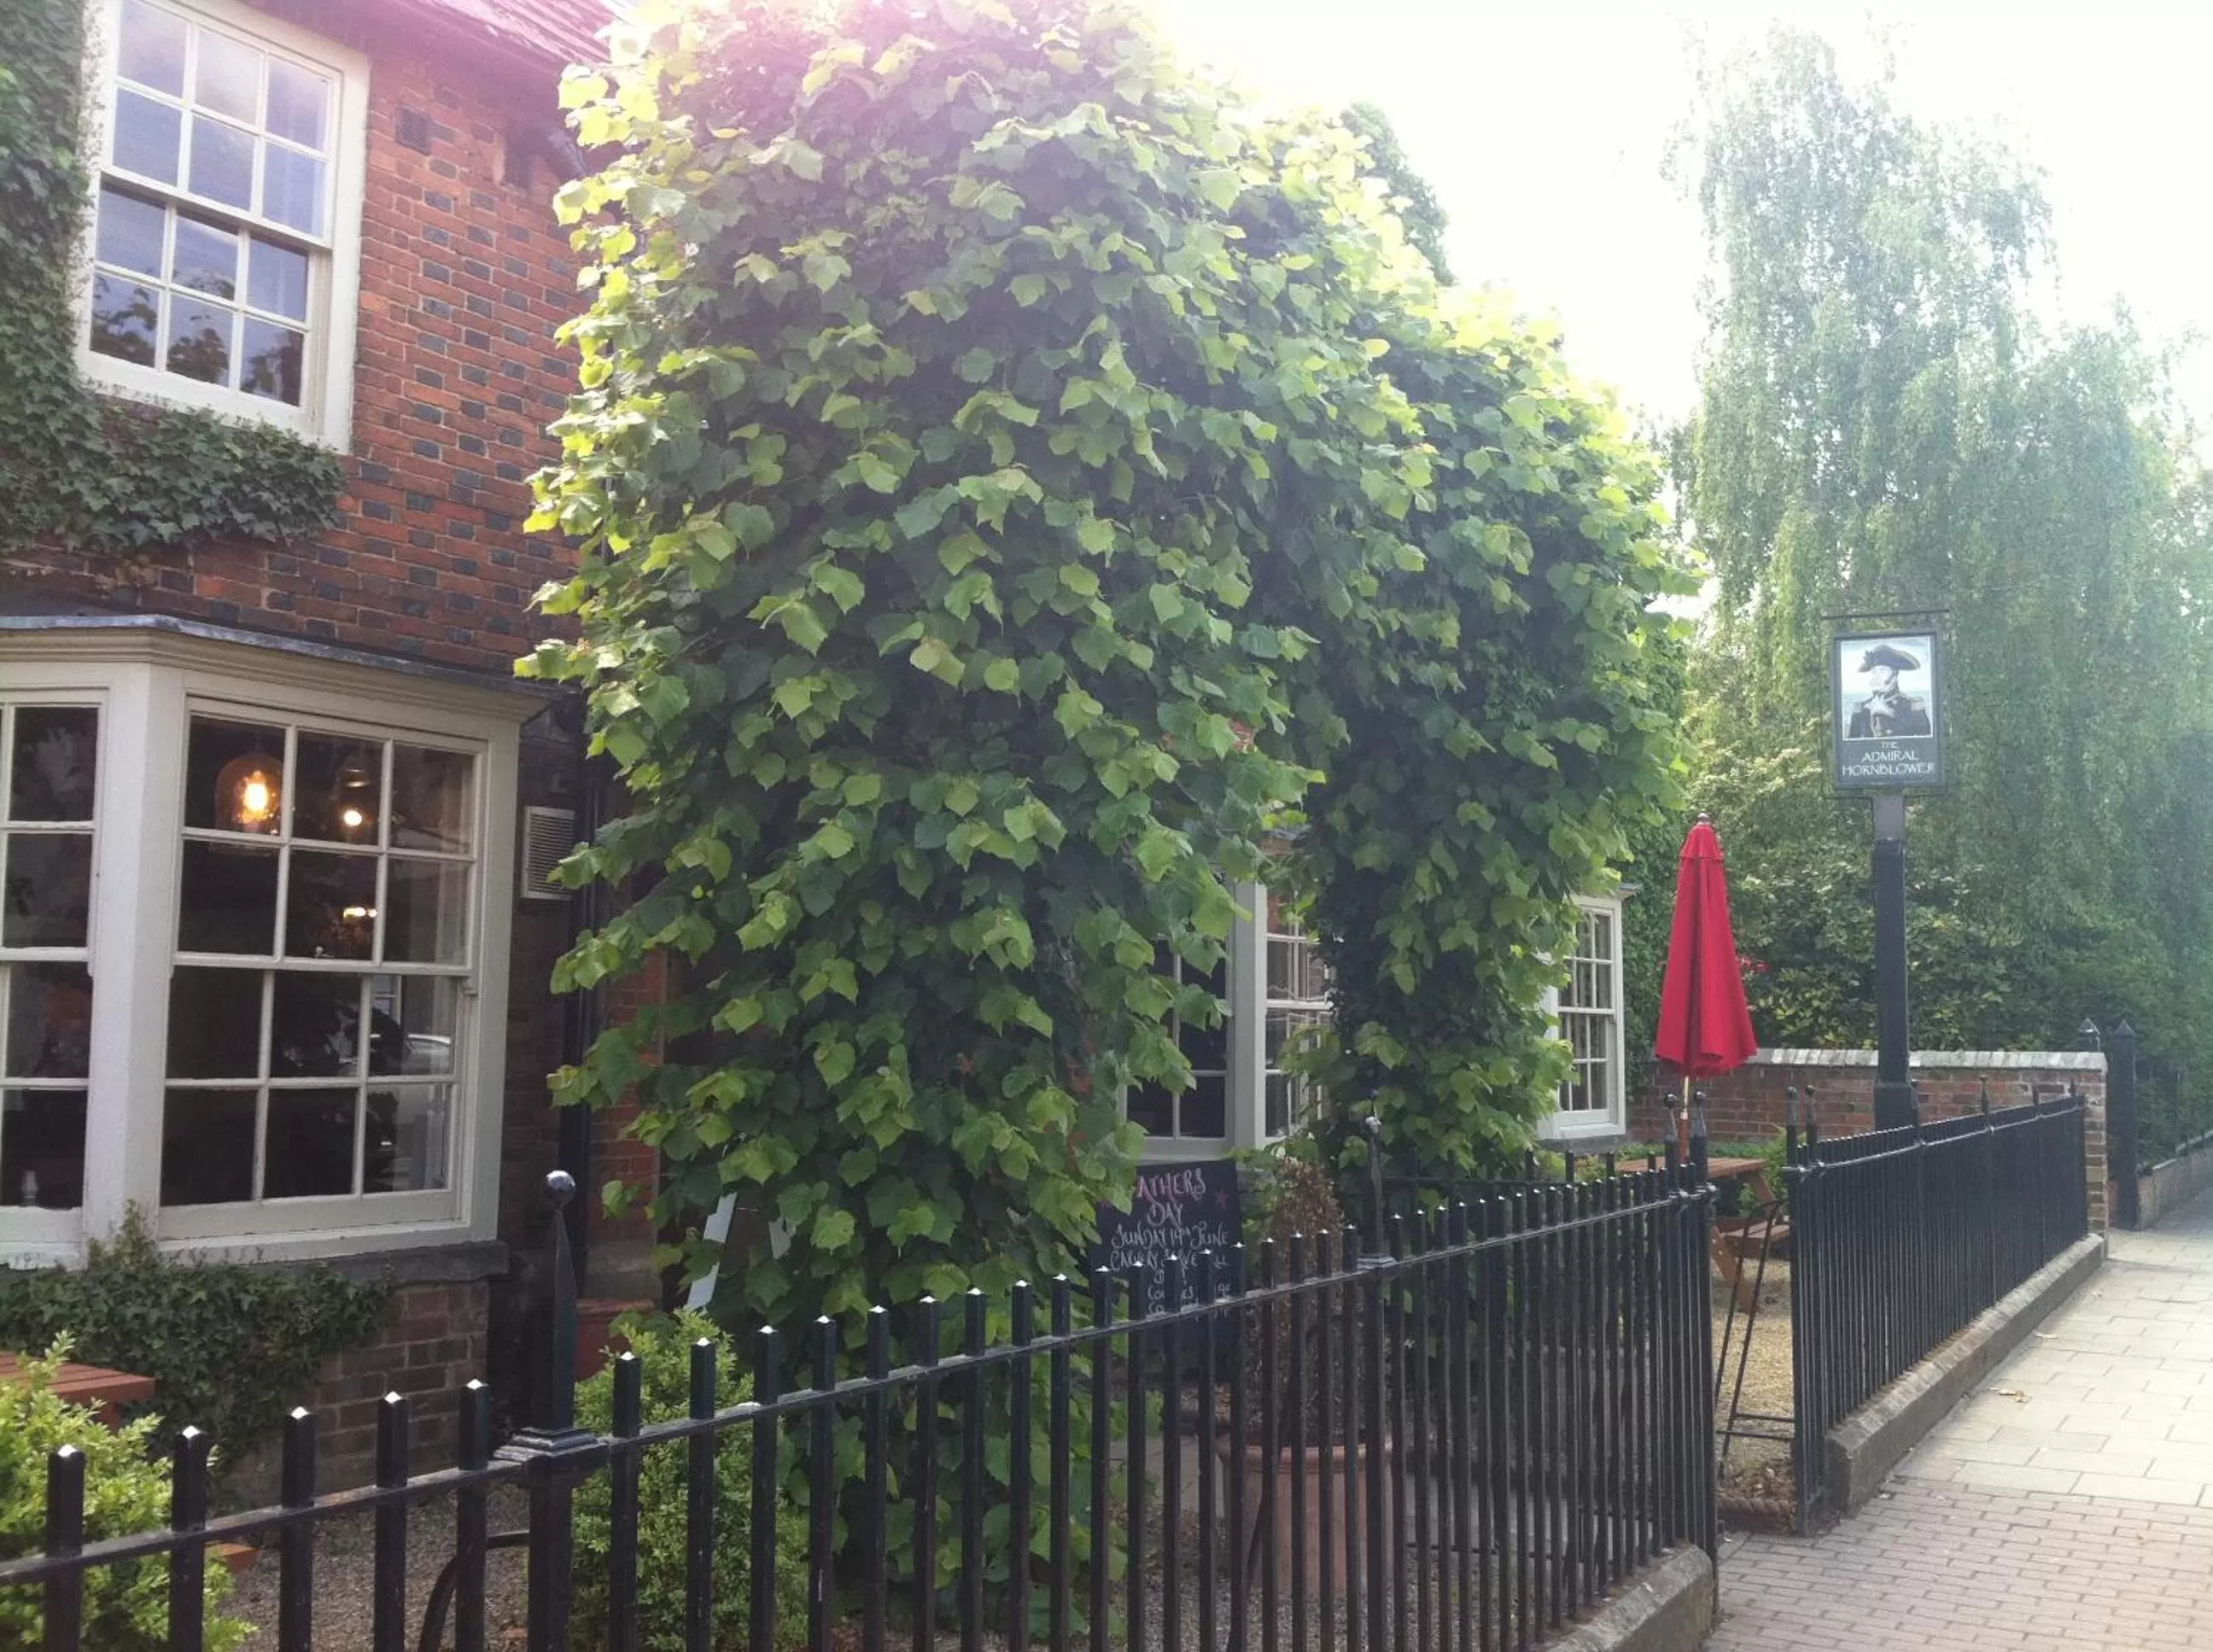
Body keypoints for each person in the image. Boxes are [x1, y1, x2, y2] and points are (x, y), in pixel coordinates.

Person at [1846, 643, 1932, 738]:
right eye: (1874, 671)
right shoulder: (1860, 709)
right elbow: (1851, 746)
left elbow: (1926, 746)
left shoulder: (1912, 706)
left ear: (1894, 676)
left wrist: (1890, 713)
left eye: (1882, 671)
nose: (1877, 676)